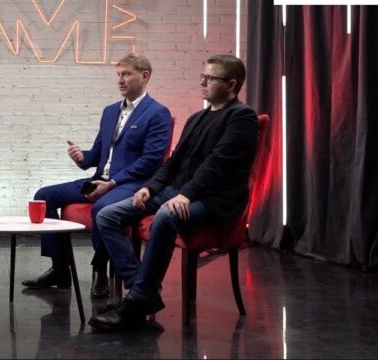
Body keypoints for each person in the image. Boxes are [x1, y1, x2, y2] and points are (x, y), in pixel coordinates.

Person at [88, 54, 258, 332]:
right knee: (107, 216)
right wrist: (149, 187)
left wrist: (186, 195)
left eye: (210, 78)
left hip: (214, 198)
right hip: (177, 191)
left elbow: (217, 163)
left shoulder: (242, 117)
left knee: (166, 216)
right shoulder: (197, 118)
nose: (202, 82)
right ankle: (144, 292)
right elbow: (173, 162)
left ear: (231, 84)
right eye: (202, 76)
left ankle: (136, 303)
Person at [21, 53, 172, 299]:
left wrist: (111, 183)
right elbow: (98, 153)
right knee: (43, 196)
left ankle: (99, 269)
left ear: (144, 76)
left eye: (126, 74)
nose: (120, 80)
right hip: (99, 179)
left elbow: (152, 161)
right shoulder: (110, 112)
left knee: (102, 209)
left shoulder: (157, 113)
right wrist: (82, 157)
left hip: (130, 183)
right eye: (118, 74)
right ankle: (60, 269)